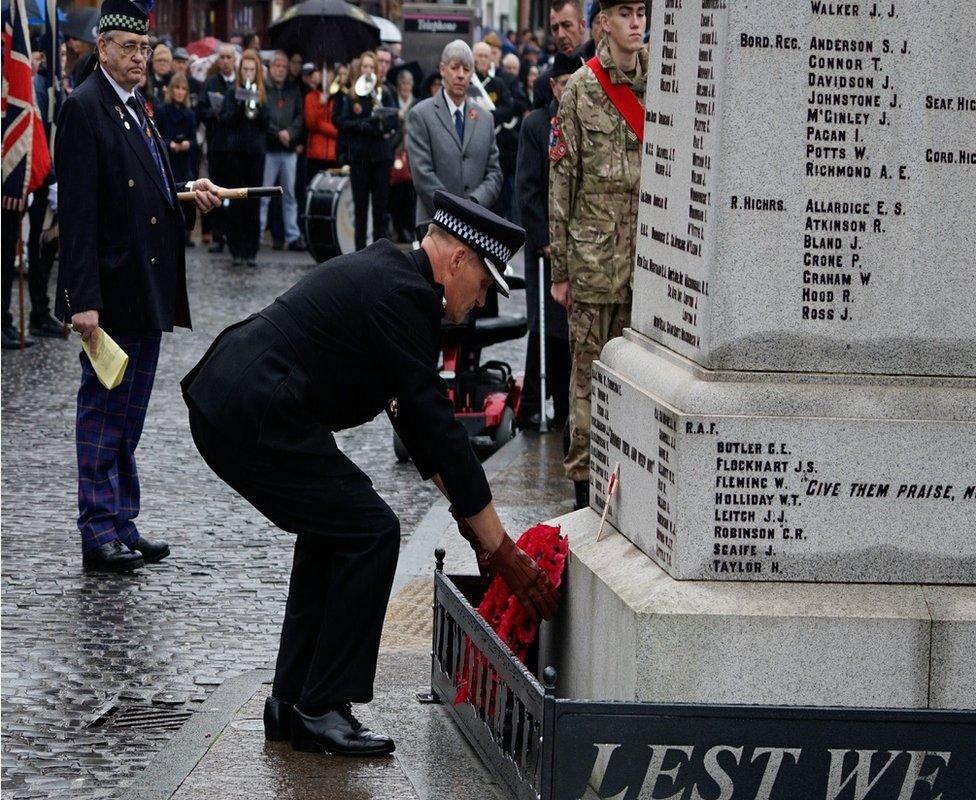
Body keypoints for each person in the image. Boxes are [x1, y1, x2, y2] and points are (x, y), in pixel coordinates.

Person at [181, 190, 559, 756]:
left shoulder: (398, 280)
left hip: (239, 401)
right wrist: (501, 550)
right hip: (251, 408)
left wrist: (471, 526)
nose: (481, 301)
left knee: (335, 527)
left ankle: (291, 700)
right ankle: (323, 705)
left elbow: (413, 423)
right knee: (370, 531)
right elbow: (437, 427)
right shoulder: (404, 296)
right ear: (458, 260)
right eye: (483, 284)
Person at [54, 0, 222, 572]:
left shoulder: (136, 108)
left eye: (144, 49)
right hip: (110, 289)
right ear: (102, 49)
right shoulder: (84, 108)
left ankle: (122, 520)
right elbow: (78, 214)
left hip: (146, 286)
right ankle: (97, 528)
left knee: (130, 416)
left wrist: (185, 192)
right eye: (129, 48)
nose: (139, 58)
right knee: (102, 412)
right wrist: (84, 301)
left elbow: (144, 189)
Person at [549, 0, 647, 509]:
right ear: (604, 23)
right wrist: (560, 270)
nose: (636, 22)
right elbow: (562, 182)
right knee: (587, 382)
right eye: (624, 13)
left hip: (645, 268)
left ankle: (630, 485)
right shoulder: (582, 90)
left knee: (637, 383)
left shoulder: (661, 82)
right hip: (592, 264)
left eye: (641, 12)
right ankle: (584, 491)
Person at [515, 52, 578, 432]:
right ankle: (540, 402)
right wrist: (543, 240)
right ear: (554, 86)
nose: (570, 90)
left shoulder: (583, 119)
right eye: (564, 84)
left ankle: (568, 403)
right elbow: (527, 189)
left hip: (577, 243)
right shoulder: (536, 125)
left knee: (571, 329)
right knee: (547, 327)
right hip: (547, 248)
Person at [406, 41, 502, 224]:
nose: (460, 75)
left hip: (475, 223)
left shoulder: (485, 118)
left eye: (466, 69)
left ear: (472, 74)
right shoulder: (421, 115)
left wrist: (474, 203)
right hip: (434, 224)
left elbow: (495, 173)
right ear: (442, 69)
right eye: (455, 68)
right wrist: (453, 209)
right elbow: (422, 173)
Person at [334, 50, 399, 251]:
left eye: (372, 67)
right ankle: (360, 253)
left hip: (381, 158)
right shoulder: (351, 95)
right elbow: (342, 122)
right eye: (365, 66)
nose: (368, 70)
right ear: (359, 69)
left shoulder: (385, 93)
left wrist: (379, 126)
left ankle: (378, 254)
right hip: (360, 159)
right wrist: (366, 125)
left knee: (379, 210)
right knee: (361, 210)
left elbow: (393, 119)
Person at [220, 48, 268, 266]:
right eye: (245, 69)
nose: (248, 73)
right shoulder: (232, 92)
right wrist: (241, 103)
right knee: (237, 200)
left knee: (253, 202)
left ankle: (251, 250)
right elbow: (227, 121)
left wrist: (257, 104)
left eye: (252, 69)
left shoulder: (262, 93)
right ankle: (236, 248)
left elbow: (266, 124)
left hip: (256, 153)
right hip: (236, 152)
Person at [260, 51, 306, 252]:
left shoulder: (293, 90)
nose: (280, 70)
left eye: (283, 67)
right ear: (270, 68)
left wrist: (291, 132)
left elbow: (299, 117)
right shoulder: (264, 89)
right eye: (276, 66)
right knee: (263, 195)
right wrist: (277, 133)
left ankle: (293, 235)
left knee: (290, 195)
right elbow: (262, 117)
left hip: (288, 150)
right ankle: (258, 233)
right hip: (270, 148)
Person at [197, 43, 238, 253]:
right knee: (215, 192)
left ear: (234, 60)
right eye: (222, 57)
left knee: (234, 192)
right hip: (217, 146)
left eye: (229, 57)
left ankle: (233, 235)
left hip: (237, 149)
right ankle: (216, 235)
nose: (225, 61)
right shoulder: (211, 83)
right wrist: (215, 113)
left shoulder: (240, 84)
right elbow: (200, 110)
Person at [157, 74, 200, 246]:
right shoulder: (162, 111)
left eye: (184, 89)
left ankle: (185, 234)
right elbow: (157, 137)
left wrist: (187, 144)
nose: (180, 92)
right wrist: (170, 144)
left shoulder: (189, 114)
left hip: (184, 162)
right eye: (177, 88)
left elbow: (194, 140)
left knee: (187, 196)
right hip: (169, 161)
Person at [534, 0, 590, 109]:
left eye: (567, 25)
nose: (560, 35)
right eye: (555, 28)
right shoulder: (543, 83)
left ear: (582, 26)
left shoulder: (601, 73)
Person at [389, 69, 417, 243]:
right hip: (396, 153)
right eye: (403, 84)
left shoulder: (416, 104)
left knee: (411, 194)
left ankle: (408, 227)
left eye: (408, 83)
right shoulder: (393, 104)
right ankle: (398, 228)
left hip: (413, 155)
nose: (405, 87)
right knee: (397, 193)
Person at [304, 67, 340, 176]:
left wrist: (321, 126)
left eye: (329, 72)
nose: (325, 76)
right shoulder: (311, 97)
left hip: (334, 154)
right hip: (316, 155)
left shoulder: (339, 97)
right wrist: (321, 105)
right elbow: (310, 124)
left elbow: (339, 129)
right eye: (321, 72)